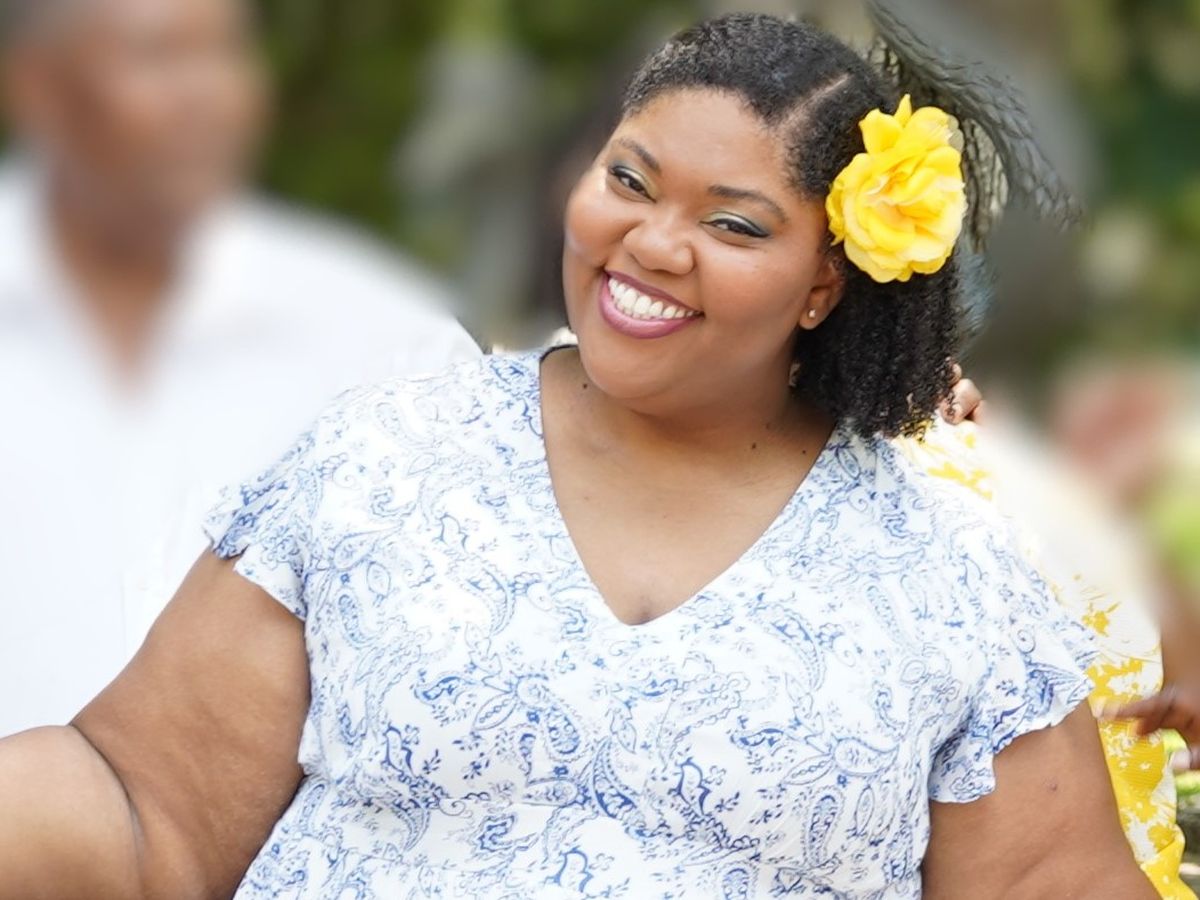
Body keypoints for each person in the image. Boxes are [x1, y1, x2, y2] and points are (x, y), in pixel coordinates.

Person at [0, 14, 1158, 898]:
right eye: (628, 181)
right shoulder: (385, 458)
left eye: (733, 224)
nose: (652, 243)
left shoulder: (945, 574)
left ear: (824, 282)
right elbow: (140, 810)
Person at [0, 0, 478, 734]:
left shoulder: (388, 346)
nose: (212, 96)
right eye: (157, 56)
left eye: (226, 52)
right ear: (39, 87)